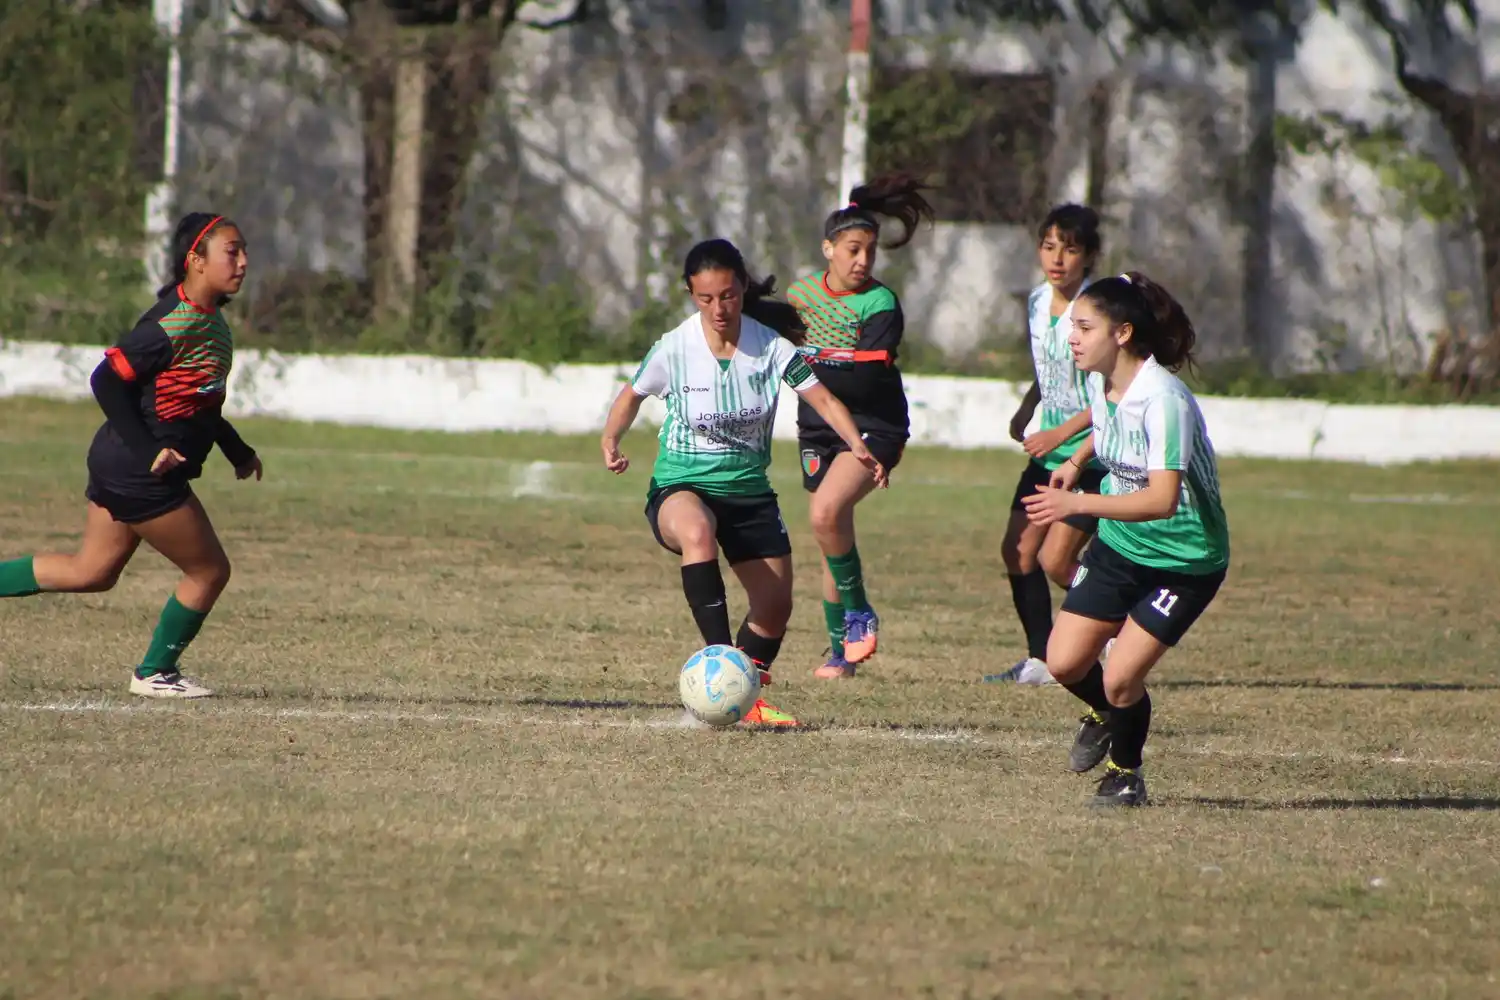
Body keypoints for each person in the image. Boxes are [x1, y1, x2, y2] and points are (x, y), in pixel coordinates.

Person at [600, 238, 886, 727]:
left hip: (749, 492)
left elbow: (822, 399)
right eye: (705, 298)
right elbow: (631, 396)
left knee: (775, 606)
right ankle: (718, 662)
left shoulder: (772, 347)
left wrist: (857, 444)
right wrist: (612, 440)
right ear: (692, 295)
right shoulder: (674, 346)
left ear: (743, 288)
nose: (718, 308)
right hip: (682, 486)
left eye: (727, 296)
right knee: (697, 532)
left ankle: (744, 696)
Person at [0, 212, 262, 698]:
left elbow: (197, 402)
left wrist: (236, 449)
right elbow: (105, 379)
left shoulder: (210, 321)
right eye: (233, 251)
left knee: (91, 571)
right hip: (138, 470)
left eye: (245, 251)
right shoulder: (172, 323)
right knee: (209, 571)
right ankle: (155, 673)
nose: (244, 261)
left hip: (119, 461)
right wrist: (150, 452)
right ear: (196, 262)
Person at [1023, 271, 1230, 807]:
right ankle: (1102, 715)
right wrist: (1074, 460)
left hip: (1183, 562)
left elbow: (1161, 499)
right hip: (1120, 545)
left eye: (1084, 327)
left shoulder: (1165, 400)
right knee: (1063, 663)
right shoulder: (1102, 379)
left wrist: (1078, 503)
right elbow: (1107, 423)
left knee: (1119, 679)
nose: (1072, 337)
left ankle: (1125, 773)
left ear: (1122, 333)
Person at [785, 173, 934, 678]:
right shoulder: (801, 294)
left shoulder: (881, 304)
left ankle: (860, 612)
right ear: (828, 249)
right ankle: (839, 653)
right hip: (817, 424)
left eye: (870, 251)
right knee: (832, 531)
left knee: (826, 513)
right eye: (852, 249)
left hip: (876, 423)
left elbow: (868, 368)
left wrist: (809, 356)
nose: (863, 261)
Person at [987, 204, 1110, 686]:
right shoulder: (1038, 301)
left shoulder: (1098, 309)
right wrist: (1027, 408)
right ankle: (1042, 659)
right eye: (1049, 245)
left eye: (1071, 248)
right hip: (1049, 450)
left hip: (1092, 454)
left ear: (1090, 256)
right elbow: (1049, 369)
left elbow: (1111, 390)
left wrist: (1062, 433)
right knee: (1017, 552)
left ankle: (1118, 622)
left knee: (1056, 561)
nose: (1057, 258)